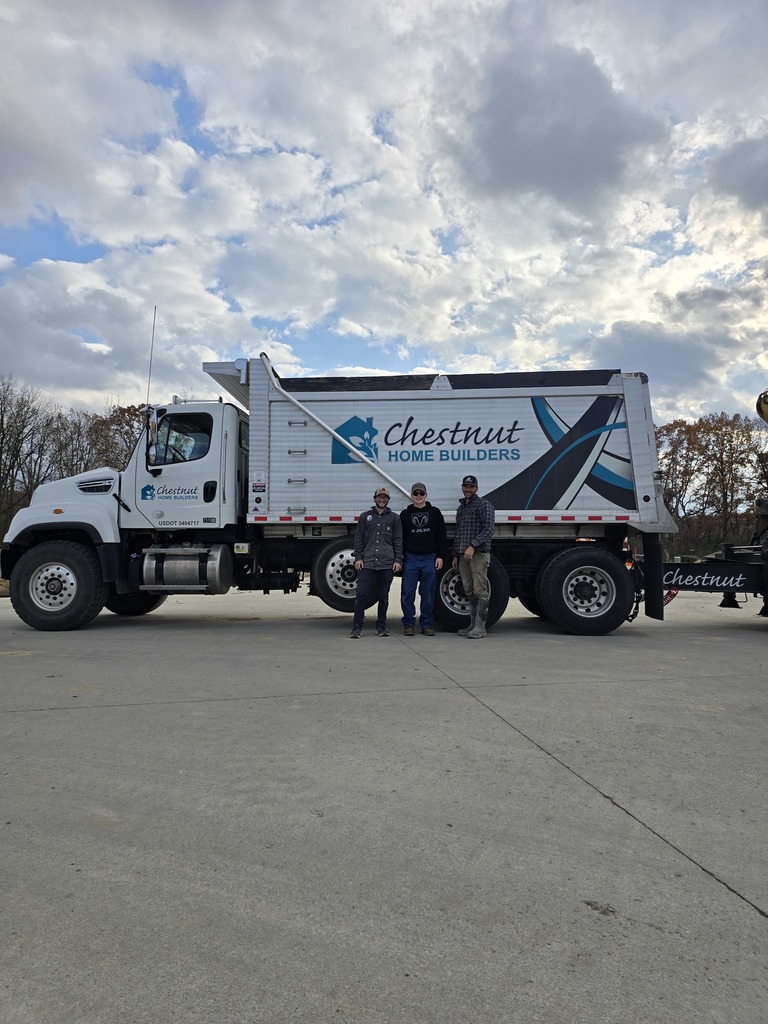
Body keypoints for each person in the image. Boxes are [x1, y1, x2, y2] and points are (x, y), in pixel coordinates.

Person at [350, 486, 403, 638]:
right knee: (361, 595)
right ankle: (357, 627)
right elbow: (359, 539)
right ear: (374, 499)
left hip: (386, 563)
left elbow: (398, 540)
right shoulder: (365, 516)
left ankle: (381, 627)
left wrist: (398, 559)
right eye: (379, 497)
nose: (382, 499)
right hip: (367, 563)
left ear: (388, 500)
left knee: (383, 596)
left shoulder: (394, 518)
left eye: (385, 497)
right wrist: (358, 558)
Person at [399, 482, 447, 637]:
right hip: (411, 558)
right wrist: (401, 557)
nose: (418, 496)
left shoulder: (435, 513)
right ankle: (408, 624)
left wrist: (440, 555)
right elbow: (400, 539)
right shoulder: (405, 515)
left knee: (428, 593)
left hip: (430, 558)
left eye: (421, 494)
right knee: (407, 592)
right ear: (411, 496)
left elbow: (441, 536)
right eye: (415, 494)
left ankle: (426, 624)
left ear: (426, 495)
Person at [451, 474, 495, 639]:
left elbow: (489, 529)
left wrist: (473, 545)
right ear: (462, 488)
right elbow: (458, 533)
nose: (467, 489)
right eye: (465, 486)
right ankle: (472, 624)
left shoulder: (484, 505)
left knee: (480, 590)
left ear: (476, 489)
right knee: (468, 590)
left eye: (471, 487)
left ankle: (480, 627)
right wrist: (456, 554)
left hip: (478, 554)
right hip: (463, 555)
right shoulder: (461, 508)